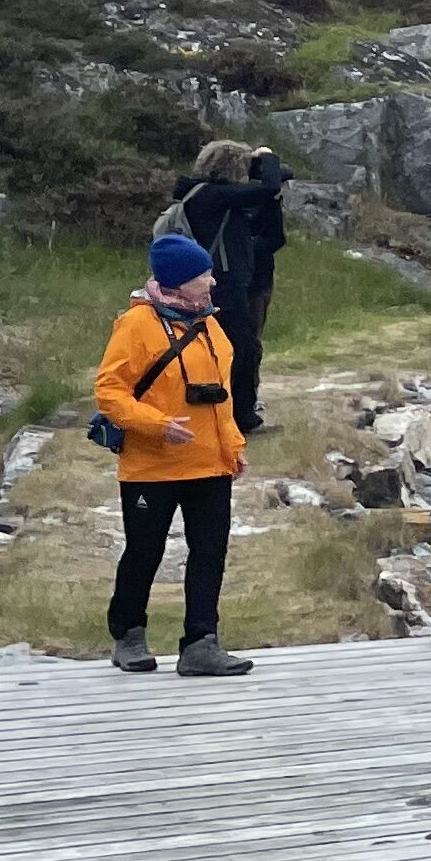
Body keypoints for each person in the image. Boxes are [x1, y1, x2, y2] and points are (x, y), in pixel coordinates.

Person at [94, 235, 256, 678]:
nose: (213, 281)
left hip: (209, 464)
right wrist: (156, 424)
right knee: (144, 551)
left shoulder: (210, 324)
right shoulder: (135, 325)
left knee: (210, 552)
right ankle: (128, 634)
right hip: (151, 467)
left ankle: (201, 643)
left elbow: (221, 397)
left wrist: (233, 447)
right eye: (204, 274)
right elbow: (109, 392)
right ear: (180, 282)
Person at [172, 139, 292, 436]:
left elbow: (269, 207)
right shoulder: (213, 195)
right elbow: (267, 187)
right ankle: (242, 418)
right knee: (243, 348)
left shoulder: (201, 194)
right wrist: (267, 156)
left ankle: (222, 411)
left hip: (215, 282)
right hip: (223, 286)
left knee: (224, 348)